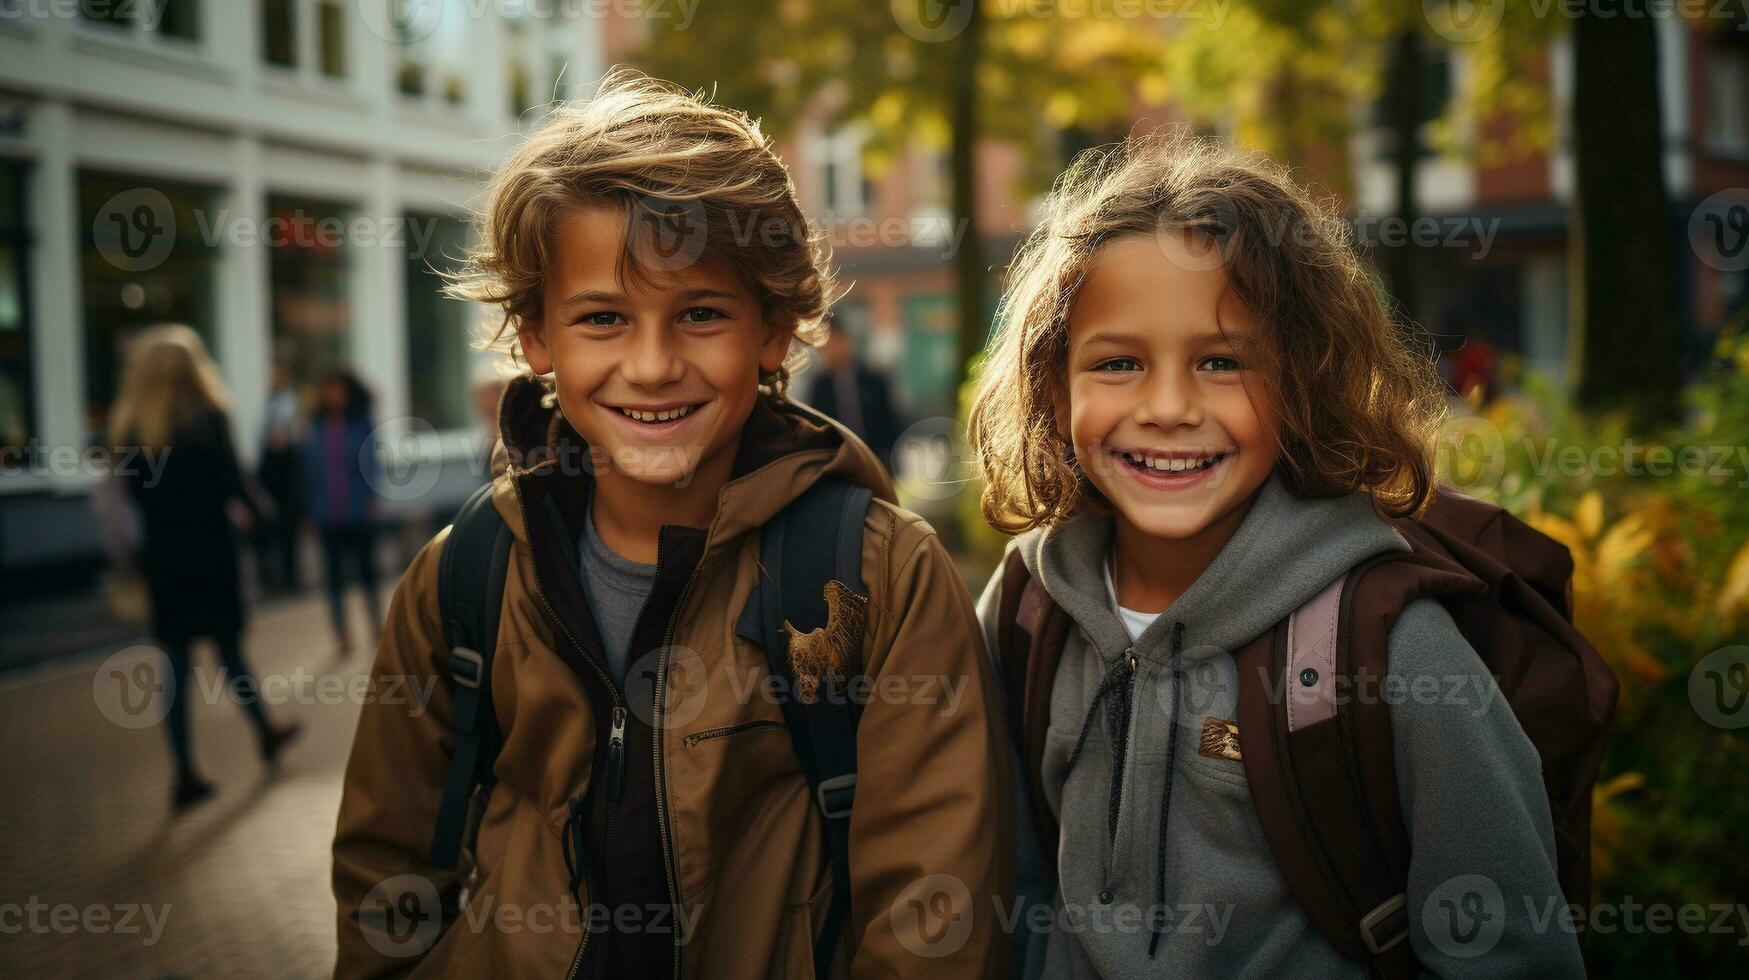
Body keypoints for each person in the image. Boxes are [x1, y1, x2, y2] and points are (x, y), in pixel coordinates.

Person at [331, 72, 1011, 978]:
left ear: (774, 331)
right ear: (536, 336)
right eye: (603, 318)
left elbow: (932, 924)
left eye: (699, 314)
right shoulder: (463, 577)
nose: (651, 366)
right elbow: (388, 874)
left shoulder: (876, 578)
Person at [966, 134, 1584, 977]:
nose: (1169, 407)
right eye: (1118, 363)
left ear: (1302, 381)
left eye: (1221, 362)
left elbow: (1513, 955)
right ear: (1053, 387)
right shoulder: (1025, 610)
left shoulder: (1389, 647)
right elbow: (1009, 895)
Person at [107, 324, 301, 810]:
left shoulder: (132, 427)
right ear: (193, 368)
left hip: (163, 559)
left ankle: (184, 770)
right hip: (212, 552)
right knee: (230, 651)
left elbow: (130, 499)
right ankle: (265, 731)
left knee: (175, 662)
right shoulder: (209, 417)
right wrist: (266, 522)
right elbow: (233, 484)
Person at [302, 368, 382, 657]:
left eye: (338, 389)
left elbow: (371, 463)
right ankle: (341, 635)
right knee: (333, 579)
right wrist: (308, 511)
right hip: (327, 513)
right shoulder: (315, 426)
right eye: (328, 389)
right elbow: (307, 472)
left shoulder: (361, 424)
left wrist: (373, 498)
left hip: (358, 511)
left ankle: (377, 627)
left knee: (367, 574)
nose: (333, 395)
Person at [806, 325, 903, 466]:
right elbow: (816, 425)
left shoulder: (873, 378)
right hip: (839, 461)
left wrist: (889, 455)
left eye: (835, 342)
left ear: (847, 341)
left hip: (875, 456)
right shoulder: (820, 386)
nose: (831, 349)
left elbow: (889, 419)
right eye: (825, 345)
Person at [254, 359, 304, 594]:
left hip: (287, 481)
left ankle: (291, 577)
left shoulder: (290, 404)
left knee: (288, 534)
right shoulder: (269, 404)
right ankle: (275, 578)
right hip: (272, 478)